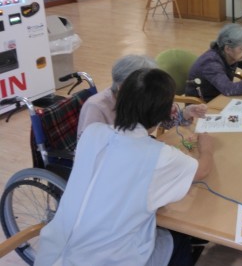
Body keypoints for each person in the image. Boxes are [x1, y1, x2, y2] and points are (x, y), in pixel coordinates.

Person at [36, 68, 214, 265]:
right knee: (178, 238)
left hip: (51, 253)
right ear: (162, 113)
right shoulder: (159, 156)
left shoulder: (92, 132)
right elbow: (202, 171)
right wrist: (206, 148)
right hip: (107, 260)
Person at [77, 54, 206, 138]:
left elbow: (164, 121)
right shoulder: (96, 108)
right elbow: (91, 153)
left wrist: (185, 113)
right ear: (123, 87)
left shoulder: (142, 97)